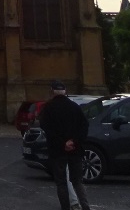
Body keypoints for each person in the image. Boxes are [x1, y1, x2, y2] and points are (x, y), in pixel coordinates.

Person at [37, 80, 91, 210]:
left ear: (52, 91)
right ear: (65, 92)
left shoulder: (48, 108)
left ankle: (65, 207)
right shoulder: (74, 107)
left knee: (61, 183)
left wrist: (63, 143)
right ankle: (85, 206)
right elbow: (84, 126)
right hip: (75, 150)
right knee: (77, 181)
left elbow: (47, 128)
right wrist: (74, 141)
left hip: (58, 150)